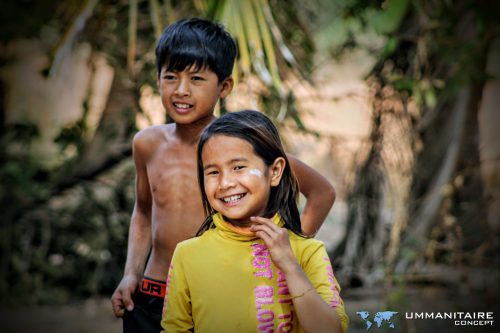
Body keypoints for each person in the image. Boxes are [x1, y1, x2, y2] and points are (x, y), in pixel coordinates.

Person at [111, 18, 336, 332]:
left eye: (197, 79)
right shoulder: (146, 144)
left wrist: (288, 251)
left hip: (215, 290)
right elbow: (144, 212)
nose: (181, 90)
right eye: (171, 77)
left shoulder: (241, 147)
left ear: (224, 86)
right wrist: (130, 274)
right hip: (151, 293)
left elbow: (322, 193)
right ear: (158, 79)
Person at [161, 110, 348, 333]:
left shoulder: (307, 252)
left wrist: (290, 267)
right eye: (213, 172)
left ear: (276, 171)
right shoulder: (187, 255)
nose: (225, 183)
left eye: (238, 167)